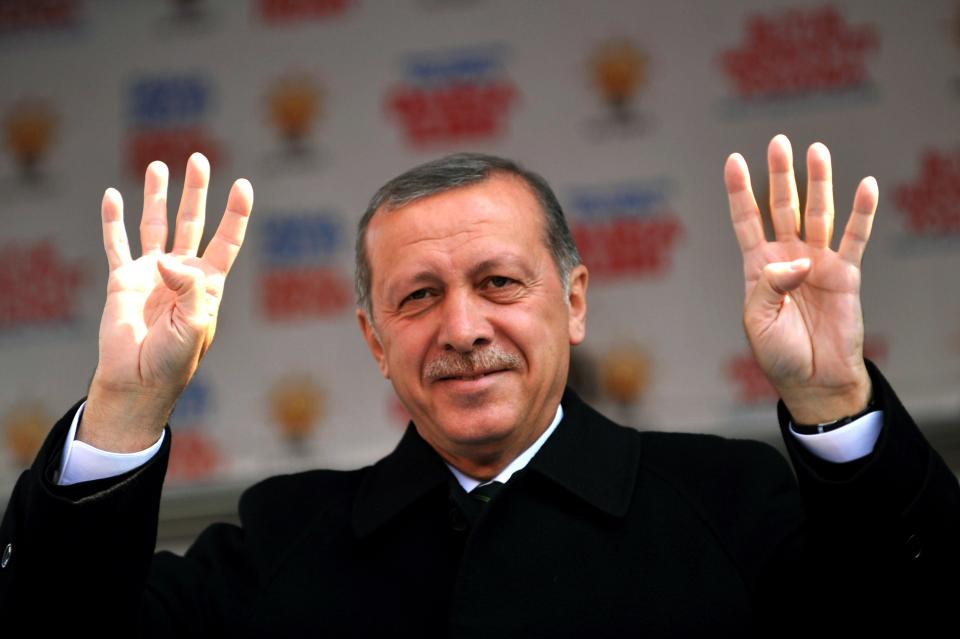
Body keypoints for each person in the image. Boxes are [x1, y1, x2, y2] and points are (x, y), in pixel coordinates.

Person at [0, 136, 957, 637]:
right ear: (375, 341)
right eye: (418, 297)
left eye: (499, 283)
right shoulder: (282, 544)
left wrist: (836, 400)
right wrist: (126, 405)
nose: (462, 329)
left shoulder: (733, 506)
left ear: (574, 301)